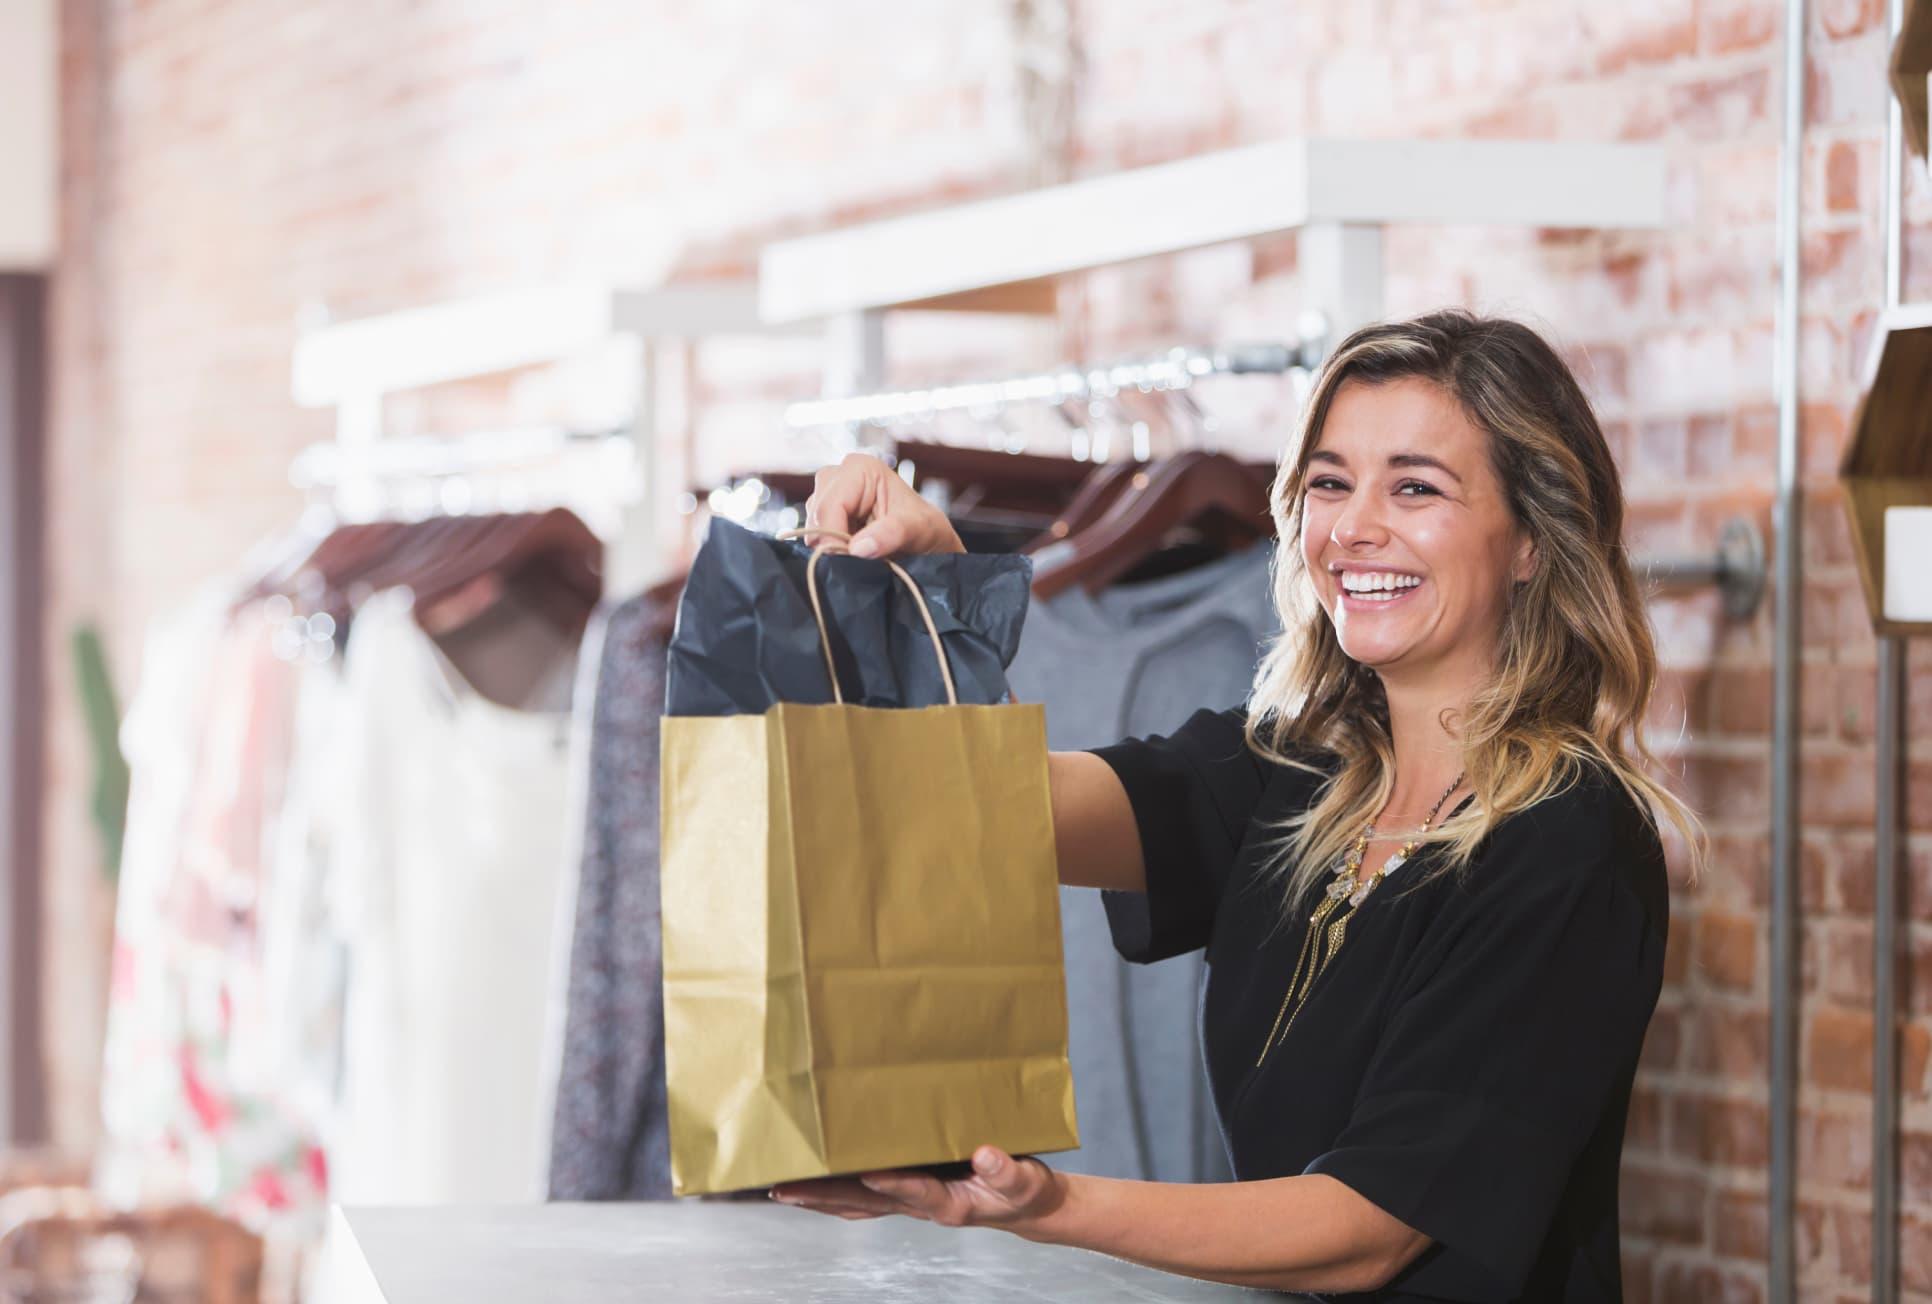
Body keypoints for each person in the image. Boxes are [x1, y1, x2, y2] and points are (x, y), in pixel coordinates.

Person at [771, 310, 1704, 1302]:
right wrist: (936, 584)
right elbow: (997, 808)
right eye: (1330, 482)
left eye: (1416, 486)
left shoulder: (1568, 843)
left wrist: (1043, 1204)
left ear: (1528, 538)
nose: (1353, 526)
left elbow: (1367, 1228)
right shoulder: (1295, 772)